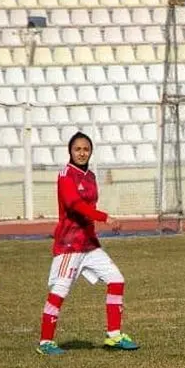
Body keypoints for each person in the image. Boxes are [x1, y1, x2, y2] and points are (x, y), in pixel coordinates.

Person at [37, 131, 138, 355]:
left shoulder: (91, 176)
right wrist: (104, 217)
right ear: (70, 152)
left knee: (117, 280)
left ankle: (114, 336)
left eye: (86, 149)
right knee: (60, 291)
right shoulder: (65, 175)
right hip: (69, 245)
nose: (82, 153)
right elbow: (74, 204)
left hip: (89, 244)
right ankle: (45, 343)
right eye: (77, 149)